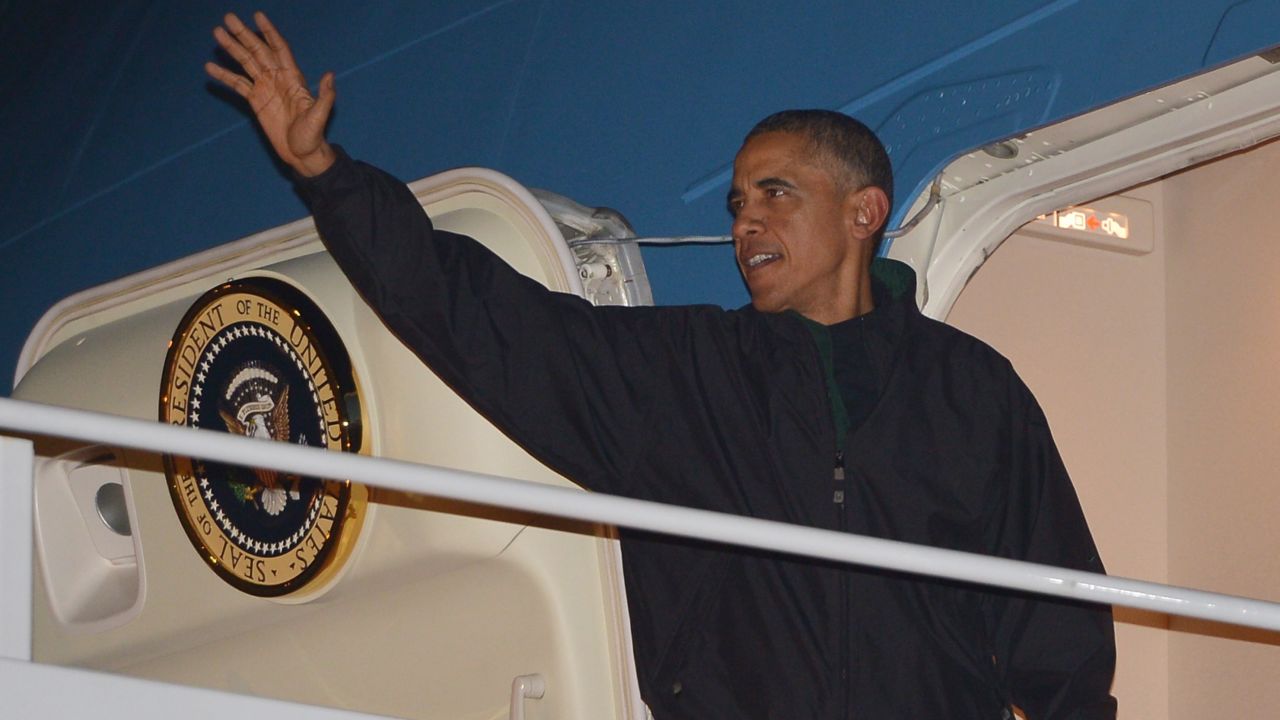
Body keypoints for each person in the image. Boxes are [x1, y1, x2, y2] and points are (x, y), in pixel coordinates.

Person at [206, 11, 1117, 719]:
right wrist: (326, 171)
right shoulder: (683, 375)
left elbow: (1056, 611)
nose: (744, 222)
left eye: (776, 194)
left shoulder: (972, 390)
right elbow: (475, 316)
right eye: (735, 203)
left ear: (864, 210)